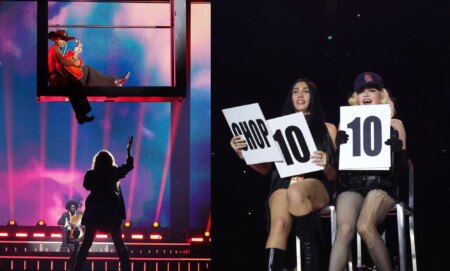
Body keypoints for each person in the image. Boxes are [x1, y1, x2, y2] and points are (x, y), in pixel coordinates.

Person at [230, 78, 337, 271]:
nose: (300, 95)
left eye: (306, 91)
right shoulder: (276, 128)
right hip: (284, 182)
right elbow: (265, 168)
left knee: (296, 192)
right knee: (278, 224)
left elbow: (334, 175)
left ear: (314, 97)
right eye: (295, 91)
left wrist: (327, 164)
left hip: (316, 182)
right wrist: (243, 154)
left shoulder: (328, 128)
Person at [329, 72, 408, 271]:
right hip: (351, 185)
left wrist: (398, 154)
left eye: (371, 90)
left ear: (380, 96)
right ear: (356, 97)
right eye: (361, 91)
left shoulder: (395, 124)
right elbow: (336, 170)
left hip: (381, 185)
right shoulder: (345, 124)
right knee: (345, 229)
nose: (366, 95)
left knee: (365, 225)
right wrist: (337, 152)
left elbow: (403, 170)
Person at [73, 136, 134, 271]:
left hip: (94, 212)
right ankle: (126, 268)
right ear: (109, 161)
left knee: (86, 244)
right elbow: (128, 166)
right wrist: (128, 150)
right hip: (111, 212)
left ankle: (77, 269)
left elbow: (86, 186)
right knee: (119, 245)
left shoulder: (91, 174)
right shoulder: (113, 172)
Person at [48, 29, 130, 124]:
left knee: (78, 83)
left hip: (62, 80)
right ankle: (113, 82)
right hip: (57, 81)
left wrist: (72, 71)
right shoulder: (54, 49)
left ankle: (81, 115)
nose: (64, 42)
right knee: (86, 71)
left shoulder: (58, 52)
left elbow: (62, 68)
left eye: (65, 40)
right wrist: (74, 62)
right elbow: (62, 63)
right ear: (56, 39)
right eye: (62, 39)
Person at [57, 200, 84, 269]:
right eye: (71, 207)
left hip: (77, 232)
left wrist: (77, 224)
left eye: (74, 207)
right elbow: (59, 222)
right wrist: (67, 222)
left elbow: (83, 222)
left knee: (75, 252)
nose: (73, 208)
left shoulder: (79, 214)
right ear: (69, 208)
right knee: (65, 229)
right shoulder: (65, 214)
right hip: (68, 231)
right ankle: (64, 245)